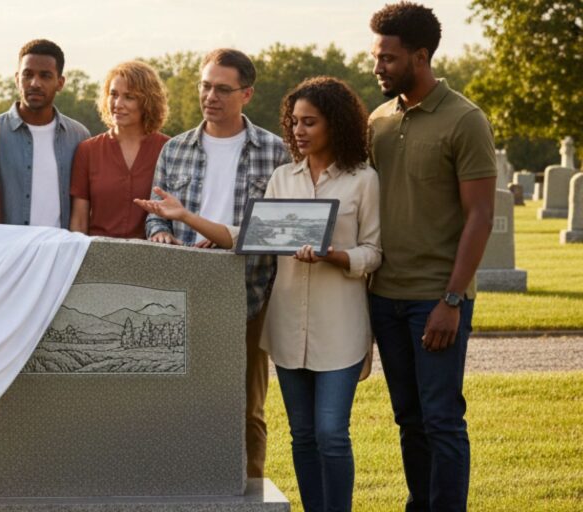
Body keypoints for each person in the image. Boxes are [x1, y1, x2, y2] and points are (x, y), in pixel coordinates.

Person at [139, 75, 381, 511]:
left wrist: (336, 256)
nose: (300, 131)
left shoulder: (363, 180)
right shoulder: (284, 178)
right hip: (287, 327)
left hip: (340, 329)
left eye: (311, 122)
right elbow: (245, 235)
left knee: (331, 433)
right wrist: (184, 216)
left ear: (336, 124)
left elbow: (374, 253)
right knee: (303, 435)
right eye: (295, 122)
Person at [368, 3, 496, 511]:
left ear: (420, 57)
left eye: (388, 57)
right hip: (384, 298)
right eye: (376, 55)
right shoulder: (377, 120)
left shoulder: (465, 120)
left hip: (435, 299)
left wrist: (452, 298)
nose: (377, 66)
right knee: (408, 419)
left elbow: (480, 216)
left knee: (442, 417)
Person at [145, 48, 290, 478]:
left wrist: (223, 236)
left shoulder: (274, 150)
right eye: (205, 86)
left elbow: (281, 226)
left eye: (222, 89)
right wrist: (161, 233)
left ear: (246, 94)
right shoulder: (175, 149)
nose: (211, 96)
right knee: (178, 402)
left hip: (251, 292)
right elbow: (156, 210)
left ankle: (250, 491)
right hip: (185, 293)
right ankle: (184, 488)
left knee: (248, 406)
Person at [0, 39, 90, 228]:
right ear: (17, 79)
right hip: (9, 249)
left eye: (45, 76)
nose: (35, 83)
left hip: (60, 250)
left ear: (60, 82)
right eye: (28, 75)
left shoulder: (79, 136)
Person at [69, 60, 169, 238]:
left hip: (152, 257)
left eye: (129, 97)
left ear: (148, 102)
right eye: (113, 94)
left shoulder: (168, 149)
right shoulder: (87, 151)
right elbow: (79, 221)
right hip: (98, 255)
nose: (118, 104)